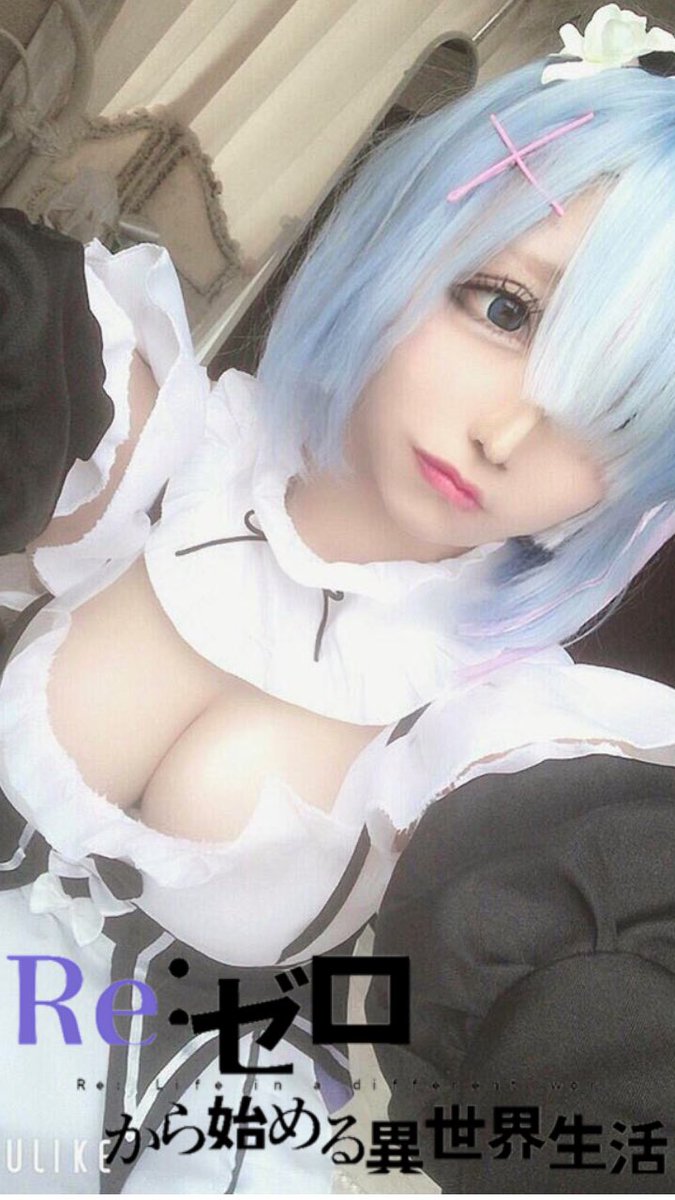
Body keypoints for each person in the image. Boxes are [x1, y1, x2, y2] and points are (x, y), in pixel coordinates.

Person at [1, 3, 675, 1191]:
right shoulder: (154, 436)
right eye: (504, 308)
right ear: (408, 237)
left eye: (609, 414)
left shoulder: (510, 733)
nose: (508, 434)